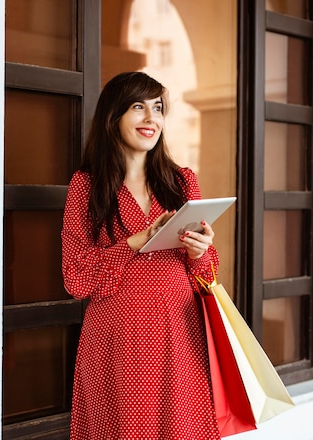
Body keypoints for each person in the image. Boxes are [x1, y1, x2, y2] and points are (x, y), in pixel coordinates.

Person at [61, 71, 221, 440]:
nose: (151, 119)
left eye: (158, 108)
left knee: (182, 428)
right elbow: (76, 277)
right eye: (138, 107)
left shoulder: (182, 181)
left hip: (179, 333)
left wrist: (199, 251)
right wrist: (135, 241)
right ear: (112, 116)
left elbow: (209, 272)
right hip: (116, 336)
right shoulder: (86, 185)